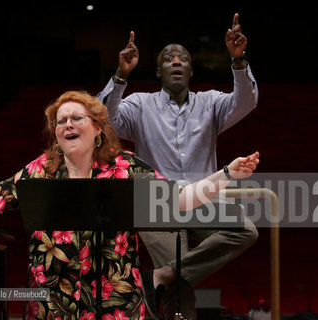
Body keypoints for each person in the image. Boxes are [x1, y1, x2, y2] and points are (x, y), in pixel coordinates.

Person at [0, 91, 259, 320]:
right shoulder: (42, 170)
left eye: (76, 118)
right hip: (53, 301)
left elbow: (180, 201)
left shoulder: (125, 167)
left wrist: (225, 174)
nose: (67, 125)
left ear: (97, 128)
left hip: (116, 301)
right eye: (60, 121)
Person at [97, 13, 259, 320]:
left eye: (182, 58)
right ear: (158, 71)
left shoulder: (211, 103)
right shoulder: (140, 104)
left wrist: (238, 61)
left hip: (203, 199)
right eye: (168, 59)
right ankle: (172, 277)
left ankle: (164, 275)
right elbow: (104, 120)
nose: (175, 62)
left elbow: (246, 102)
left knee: (245, 230)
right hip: (157, 202)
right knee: (181, 289)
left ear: (190, 70)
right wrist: (121, 75)